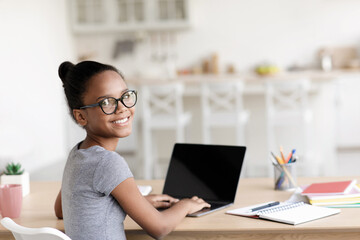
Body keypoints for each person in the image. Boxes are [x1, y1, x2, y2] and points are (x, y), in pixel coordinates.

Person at [54, 60, 210, 240]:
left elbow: (61, 210)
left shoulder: (78, 154)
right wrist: (186, 205)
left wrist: (134, 202)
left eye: (125, 96)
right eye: (106, 102)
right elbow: (159, 228)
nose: (122, 107)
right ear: (81, 116)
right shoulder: (108, 163)